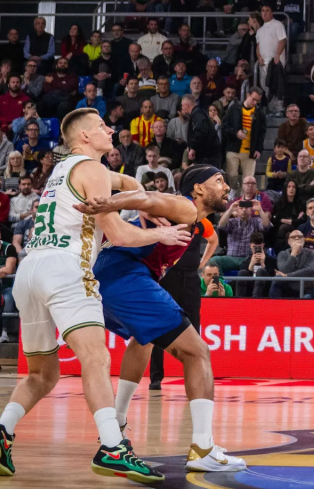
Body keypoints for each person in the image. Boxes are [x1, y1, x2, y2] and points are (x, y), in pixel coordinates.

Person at [0, 109, 191, 484]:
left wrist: (145, 198)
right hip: (67, 268)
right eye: (101, 127)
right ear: (83, 138)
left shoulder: (65, 168)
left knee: (42, 375)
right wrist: (160, 234)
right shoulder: (92, 170)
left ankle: (1, 431)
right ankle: (113, 447)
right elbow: (120, 235)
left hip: (30, 272)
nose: (110, 129)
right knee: (96, 358)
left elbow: (123, 179)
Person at [25, 164, 244, 477]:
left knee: (143, 339)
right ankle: (203, 449)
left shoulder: (199, 224)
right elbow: (147, 197)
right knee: (197, 352)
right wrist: (108, 203)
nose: (226, 187)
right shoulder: (184, 206)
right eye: (218, 181)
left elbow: (145, 203)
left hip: (103, 276)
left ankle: (118, 418)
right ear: (198, 189)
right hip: (124, 275)